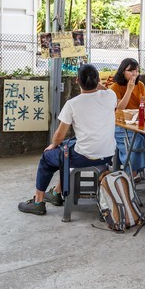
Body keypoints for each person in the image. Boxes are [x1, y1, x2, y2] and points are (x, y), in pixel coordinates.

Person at [18, 64, 116, 215]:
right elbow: (104, 89)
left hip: (84, 157)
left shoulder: (72, 104)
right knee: (67, 147)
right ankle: (57, 192)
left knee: (47, 157)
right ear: (97, 81)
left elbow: (59, 135)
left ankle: (38, 201)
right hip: (108, 154)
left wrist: (52, 145)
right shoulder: (110, 96)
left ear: (77, 80)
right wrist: (96, 83)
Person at [108, 58, 145, 183]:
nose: (135, 74)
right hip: (120, 125)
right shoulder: (115, 87)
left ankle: (141, 167)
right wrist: (129, 89)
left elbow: (141, 107)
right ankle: (131, 172)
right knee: (138, 140)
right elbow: (119, 108)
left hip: (136, 123)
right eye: (131, 71)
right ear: (123, 71)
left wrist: (144, 104)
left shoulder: (140, 85)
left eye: (137, 71)